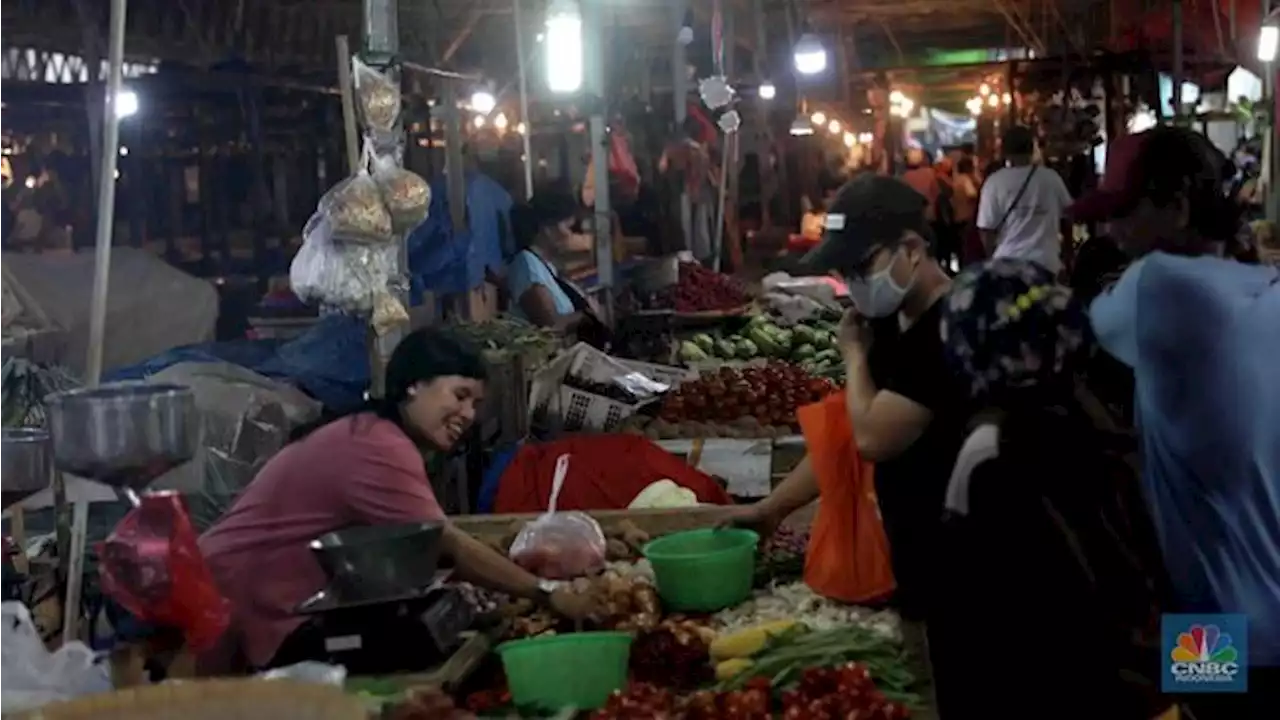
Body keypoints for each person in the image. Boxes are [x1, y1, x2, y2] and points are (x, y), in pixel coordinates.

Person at [197, 328, 597, 673]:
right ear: (414, 384)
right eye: (459, 395)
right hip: (238, 598)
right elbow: (448, 544)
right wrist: (547, 591)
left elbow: (425, 545)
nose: (468, 414)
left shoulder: (370, 432)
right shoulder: (378, 446)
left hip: (249, 591)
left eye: (475, 404)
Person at [1078, 125, 1280, 714]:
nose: (1110, 231)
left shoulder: (1157, 285)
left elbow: (1064, 337)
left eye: (1123, 213)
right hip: (1271, 610)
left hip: (1216, 625)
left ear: (1178, 207)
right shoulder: (1268, 288)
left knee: (1200, 711)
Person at [937, 259, 1174, 718]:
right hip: (1148, 686)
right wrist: (1232, 667)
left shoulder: (989, 457)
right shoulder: (1109, 419)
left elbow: (971, 641)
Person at [794, 174, 968, 711]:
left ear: (912, 249)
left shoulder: (952, 328)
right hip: (916, 557)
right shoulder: (890, 319)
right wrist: (771, 508)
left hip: (970, 566)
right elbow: (849, 428)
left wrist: (852, 357)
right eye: (843, 272)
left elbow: (872, 437)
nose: (852, 283)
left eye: (859, 267)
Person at [506, 189, 609, 346]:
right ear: (547, 228)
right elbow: (550, 326)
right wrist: (585, 315)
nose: (571, 235)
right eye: (568, 227)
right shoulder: (526, 265)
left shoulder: (547, 266)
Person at [976, 126, 1073, 273]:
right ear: (1032, 147)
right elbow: (1067, 216)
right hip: (1046, 263)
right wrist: (1067, 255)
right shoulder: (1051, 178)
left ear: (1003, 151)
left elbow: (986, 230)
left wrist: (992, 260)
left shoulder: (995, 182)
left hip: (1007, 263)